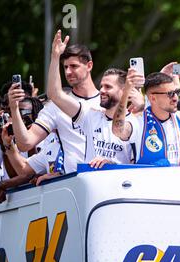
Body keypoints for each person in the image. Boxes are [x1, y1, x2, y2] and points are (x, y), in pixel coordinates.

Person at [8, 29, 100, 174]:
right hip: (73, 185)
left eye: (74, 66)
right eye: (65, 67)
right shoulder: (56, 106)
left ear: (89, 66)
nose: (68, 72)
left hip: (106, 181)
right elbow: (25, 143)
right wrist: (14, 108)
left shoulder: (108, 103)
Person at [47, 30, 134, 168]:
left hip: (119, 186)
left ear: (124, 91)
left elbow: (120, 132)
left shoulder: (136, 122)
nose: (102, 91)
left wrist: (111, 164)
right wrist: (55, 56)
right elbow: (55, 95)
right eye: (102, 86)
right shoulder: (90, 116)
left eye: (108, 87)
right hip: (91, 185)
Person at [112, 69, 180, 166]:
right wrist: (125, 93)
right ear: (152, 98)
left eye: (177, 92)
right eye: (170, 94)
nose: (176, 98)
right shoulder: (139, 121)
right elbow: (117, 130)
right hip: (151, 179)